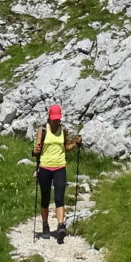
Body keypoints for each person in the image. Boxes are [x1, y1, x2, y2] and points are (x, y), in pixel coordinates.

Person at [32, 103, 81, 242]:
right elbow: (36, 149)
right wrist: (35, 151)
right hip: (45, 167)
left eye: (58, 119)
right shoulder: (42, 130)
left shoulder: (63, 130)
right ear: (49, 117)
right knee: (45, 198)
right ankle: (45, 225)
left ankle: (61, 226)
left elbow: (67, 147)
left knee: (59, 197)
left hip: (60, 167)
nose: (56, 121)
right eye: (54, 119)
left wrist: (76, 144)